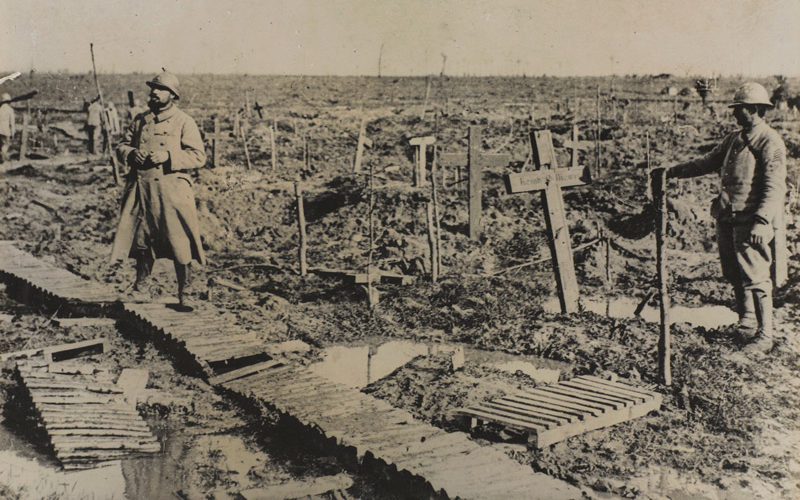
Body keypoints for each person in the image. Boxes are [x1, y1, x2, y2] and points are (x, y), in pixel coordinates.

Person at [651, 82, 787, 352]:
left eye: (742, 109)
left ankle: (765, 335)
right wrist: (671, 171)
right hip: (728, 216)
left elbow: (775, 186)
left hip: (752, 220)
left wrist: (762, 221)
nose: (736, 114)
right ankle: (746, 321)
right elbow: (706, 162)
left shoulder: (769, 141)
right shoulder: (733, 139)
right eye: (736, 109)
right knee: (734, 271)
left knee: (756, 276)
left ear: (757, 110)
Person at [110, 71, 207, 308]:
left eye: (160, 89)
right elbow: (121, 146)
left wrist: (167, 156)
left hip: (171, 191)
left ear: (172, 95)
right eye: (153, 88)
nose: (154, 92)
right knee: (142, 239)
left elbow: (198, 156)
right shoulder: (140, 120)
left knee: (179, 241)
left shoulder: (184, 121)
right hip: (141, 190)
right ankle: (141, 288)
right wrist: (132, 153)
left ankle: (186, 292)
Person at [0, 93, 15, 163]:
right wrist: (13, 132)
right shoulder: (10, 110)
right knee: (6, 144)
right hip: (5, 131)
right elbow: (12, 123)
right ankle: (2, 157)